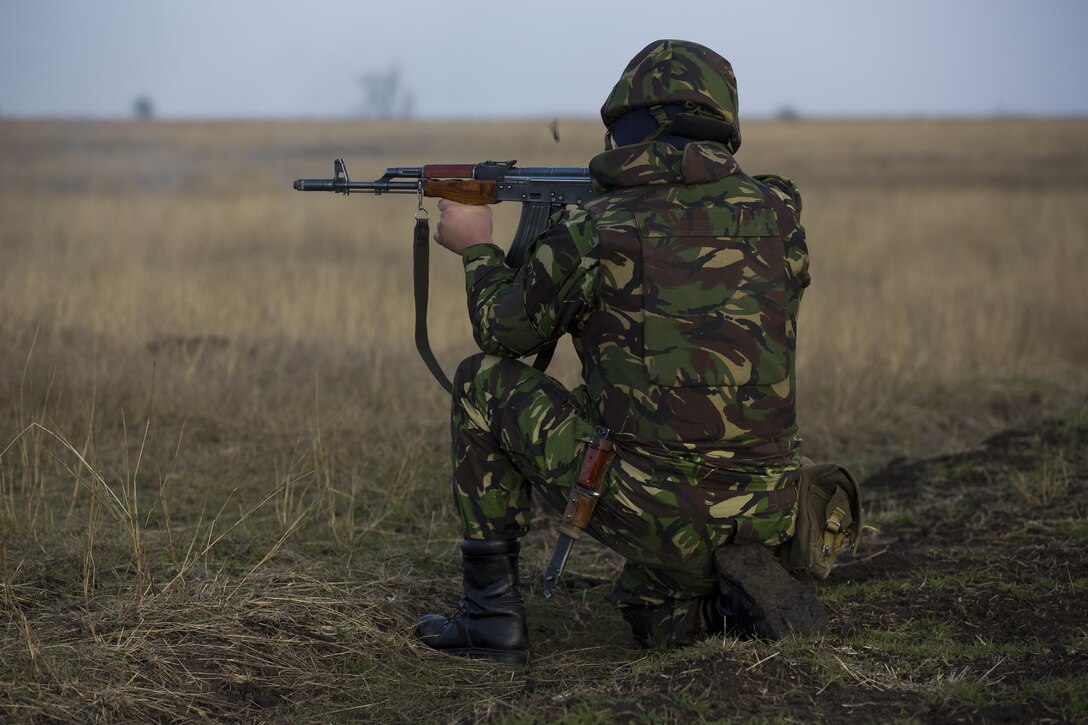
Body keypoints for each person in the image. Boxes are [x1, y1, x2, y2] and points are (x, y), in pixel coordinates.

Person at [415, 39, 825, 667]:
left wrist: (476, 248)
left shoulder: (594, 229)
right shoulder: (781, 218)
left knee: (480, 384)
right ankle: (721, 606)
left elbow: (504, 334)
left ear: (627, 124)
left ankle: (489, 617)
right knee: (647, 611)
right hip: (771, 511)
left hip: (656, 509)